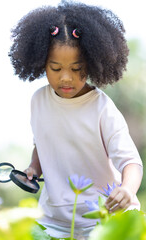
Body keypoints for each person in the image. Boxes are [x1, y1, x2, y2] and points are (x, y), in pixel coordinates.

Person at [9, 1, 143, 239]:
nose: (66, 78)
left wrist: (127, 190)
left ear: (91, 63)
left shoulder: (102, 109)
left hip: (103, 218)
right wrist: (33, 168)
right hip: (52, 221)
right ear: (42, 64)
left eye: (76, 67)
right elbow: (42, 143)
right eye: (56, 68)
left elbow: (131, 162)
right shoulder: (38, 100)